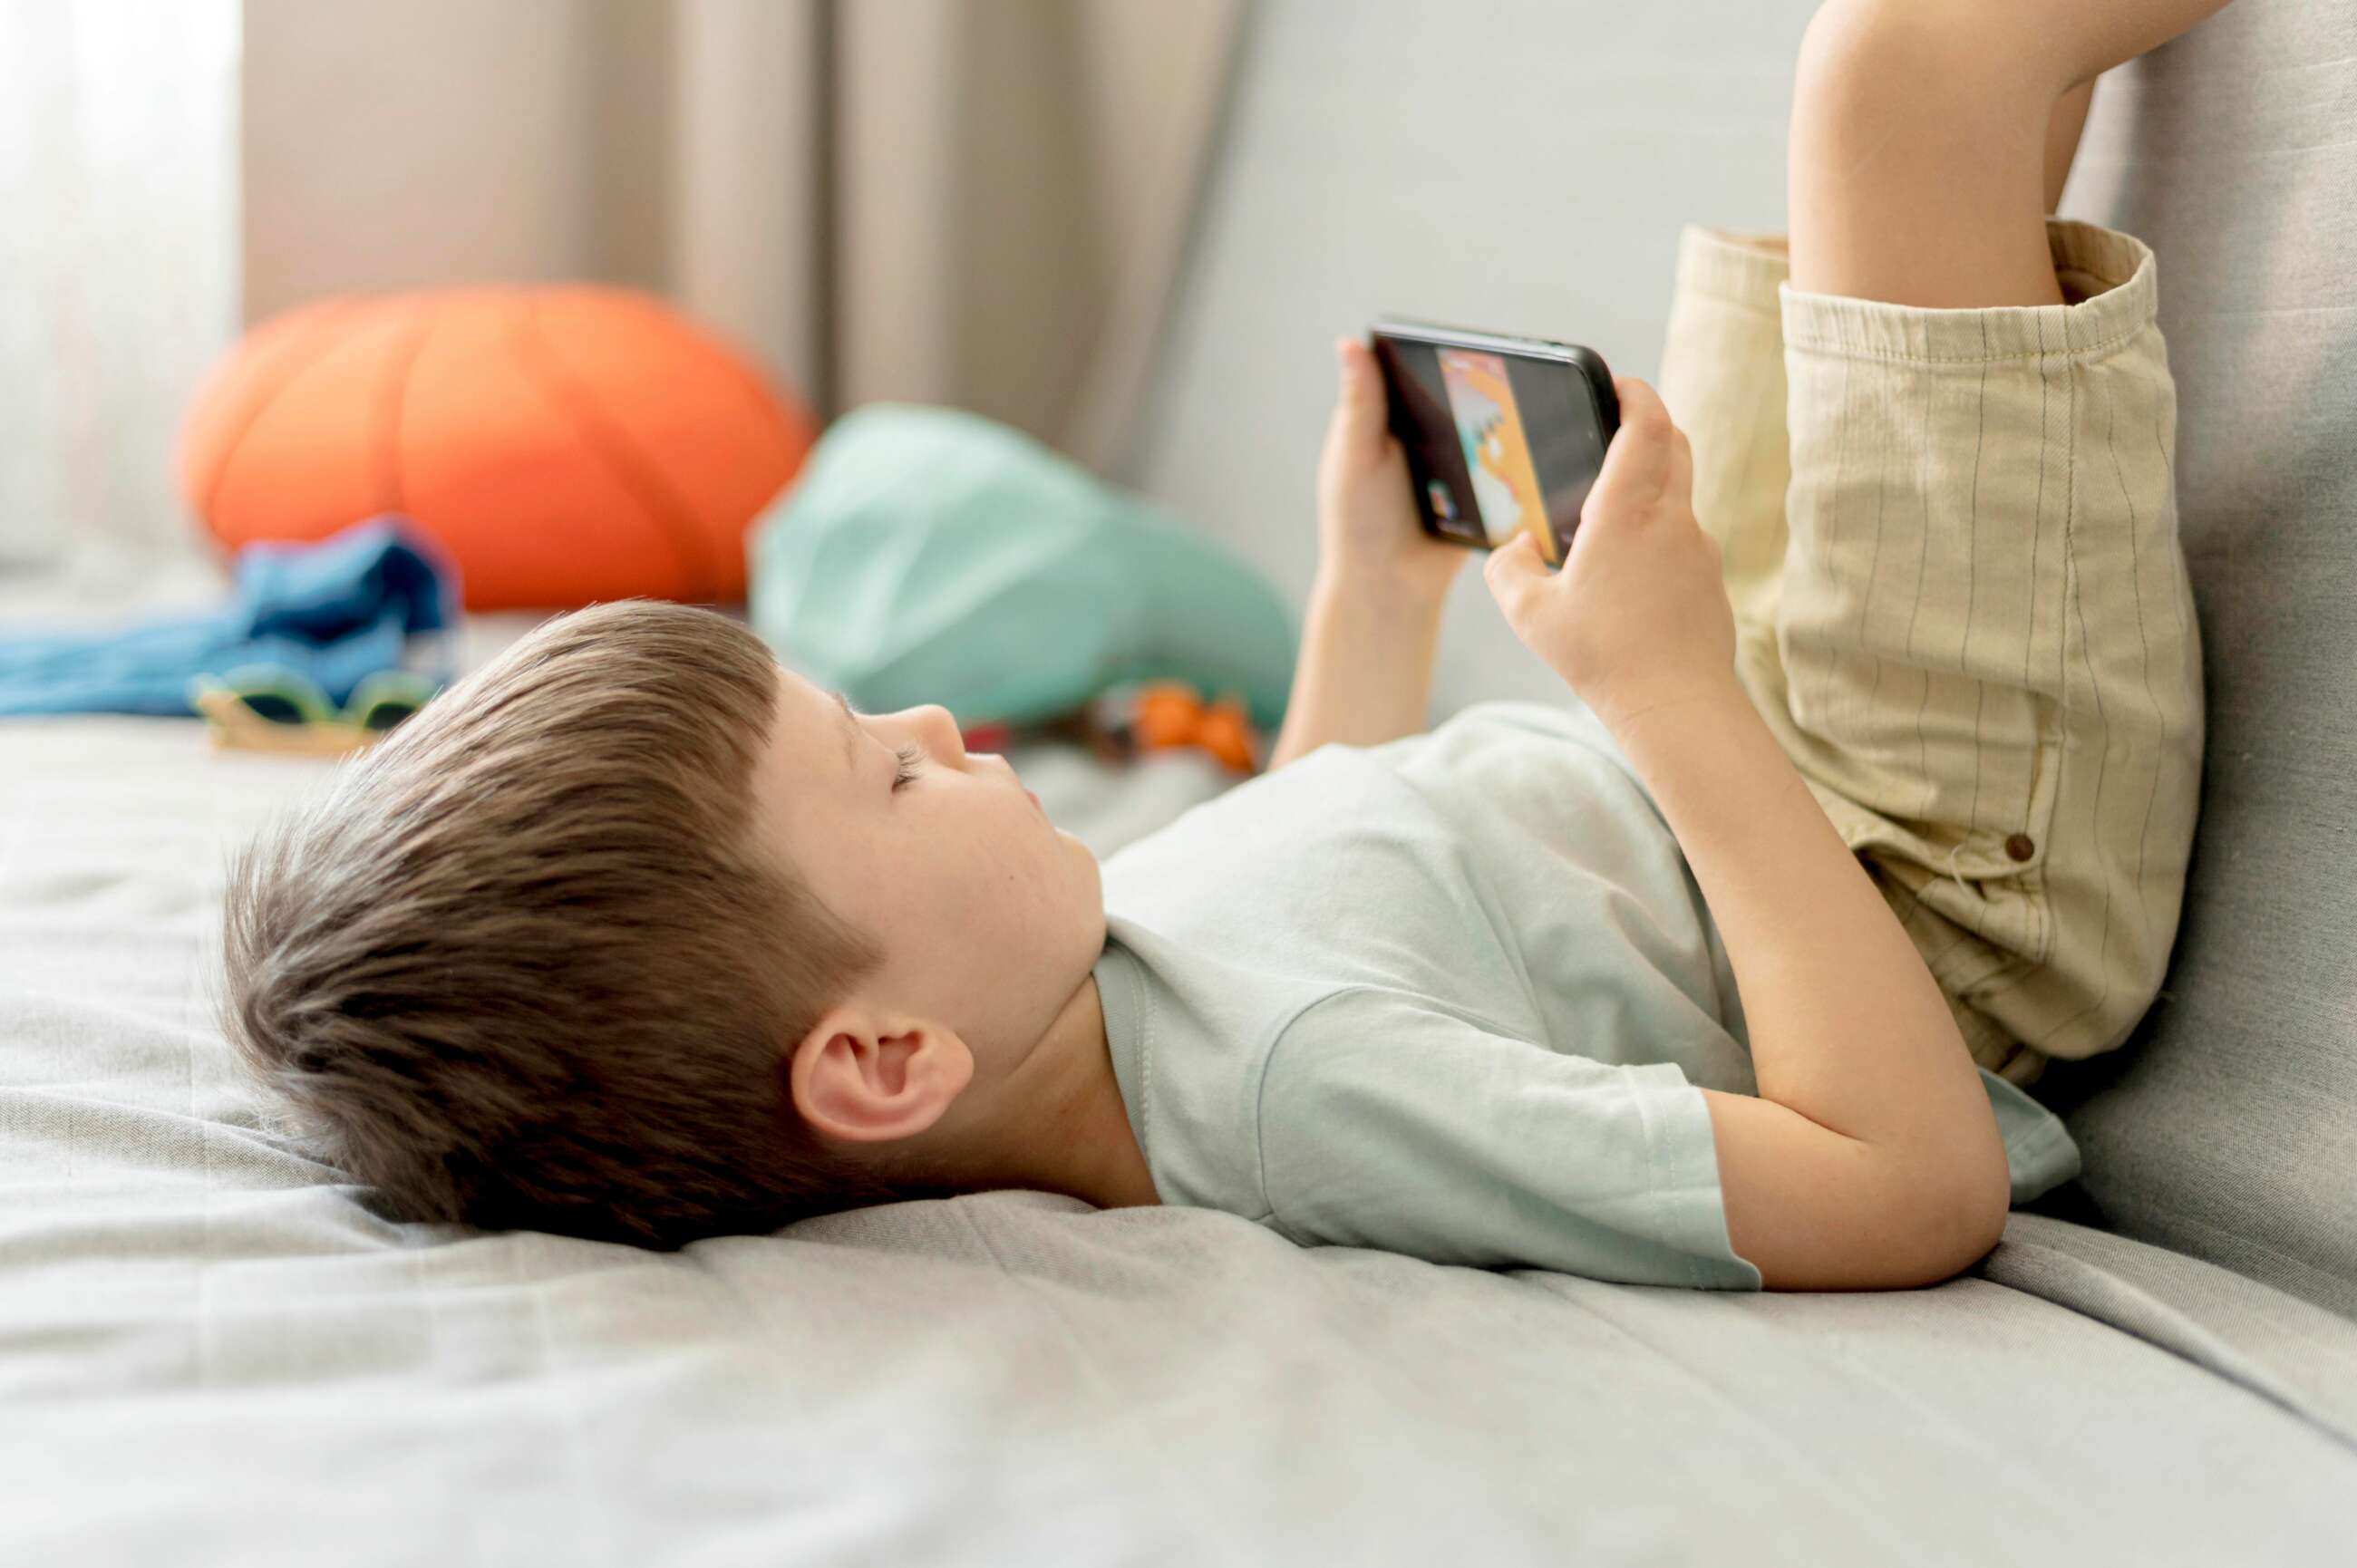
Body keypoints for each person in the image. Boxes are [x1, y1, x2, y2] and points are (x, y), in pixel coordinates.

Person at [218, 0, 2216, 1292]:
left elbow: (1312, 863)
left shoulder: (1055, 983)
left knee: (1879, 208)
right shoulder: (1295, 1093)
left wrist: (1373, 596)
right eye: (887, 770)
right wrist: (1664, 689)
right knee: (1901, 74)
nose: (929, 720)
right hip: (1924, 873)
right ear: (885, 1058)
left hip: (1770, 749)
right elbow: (1899, 1185)